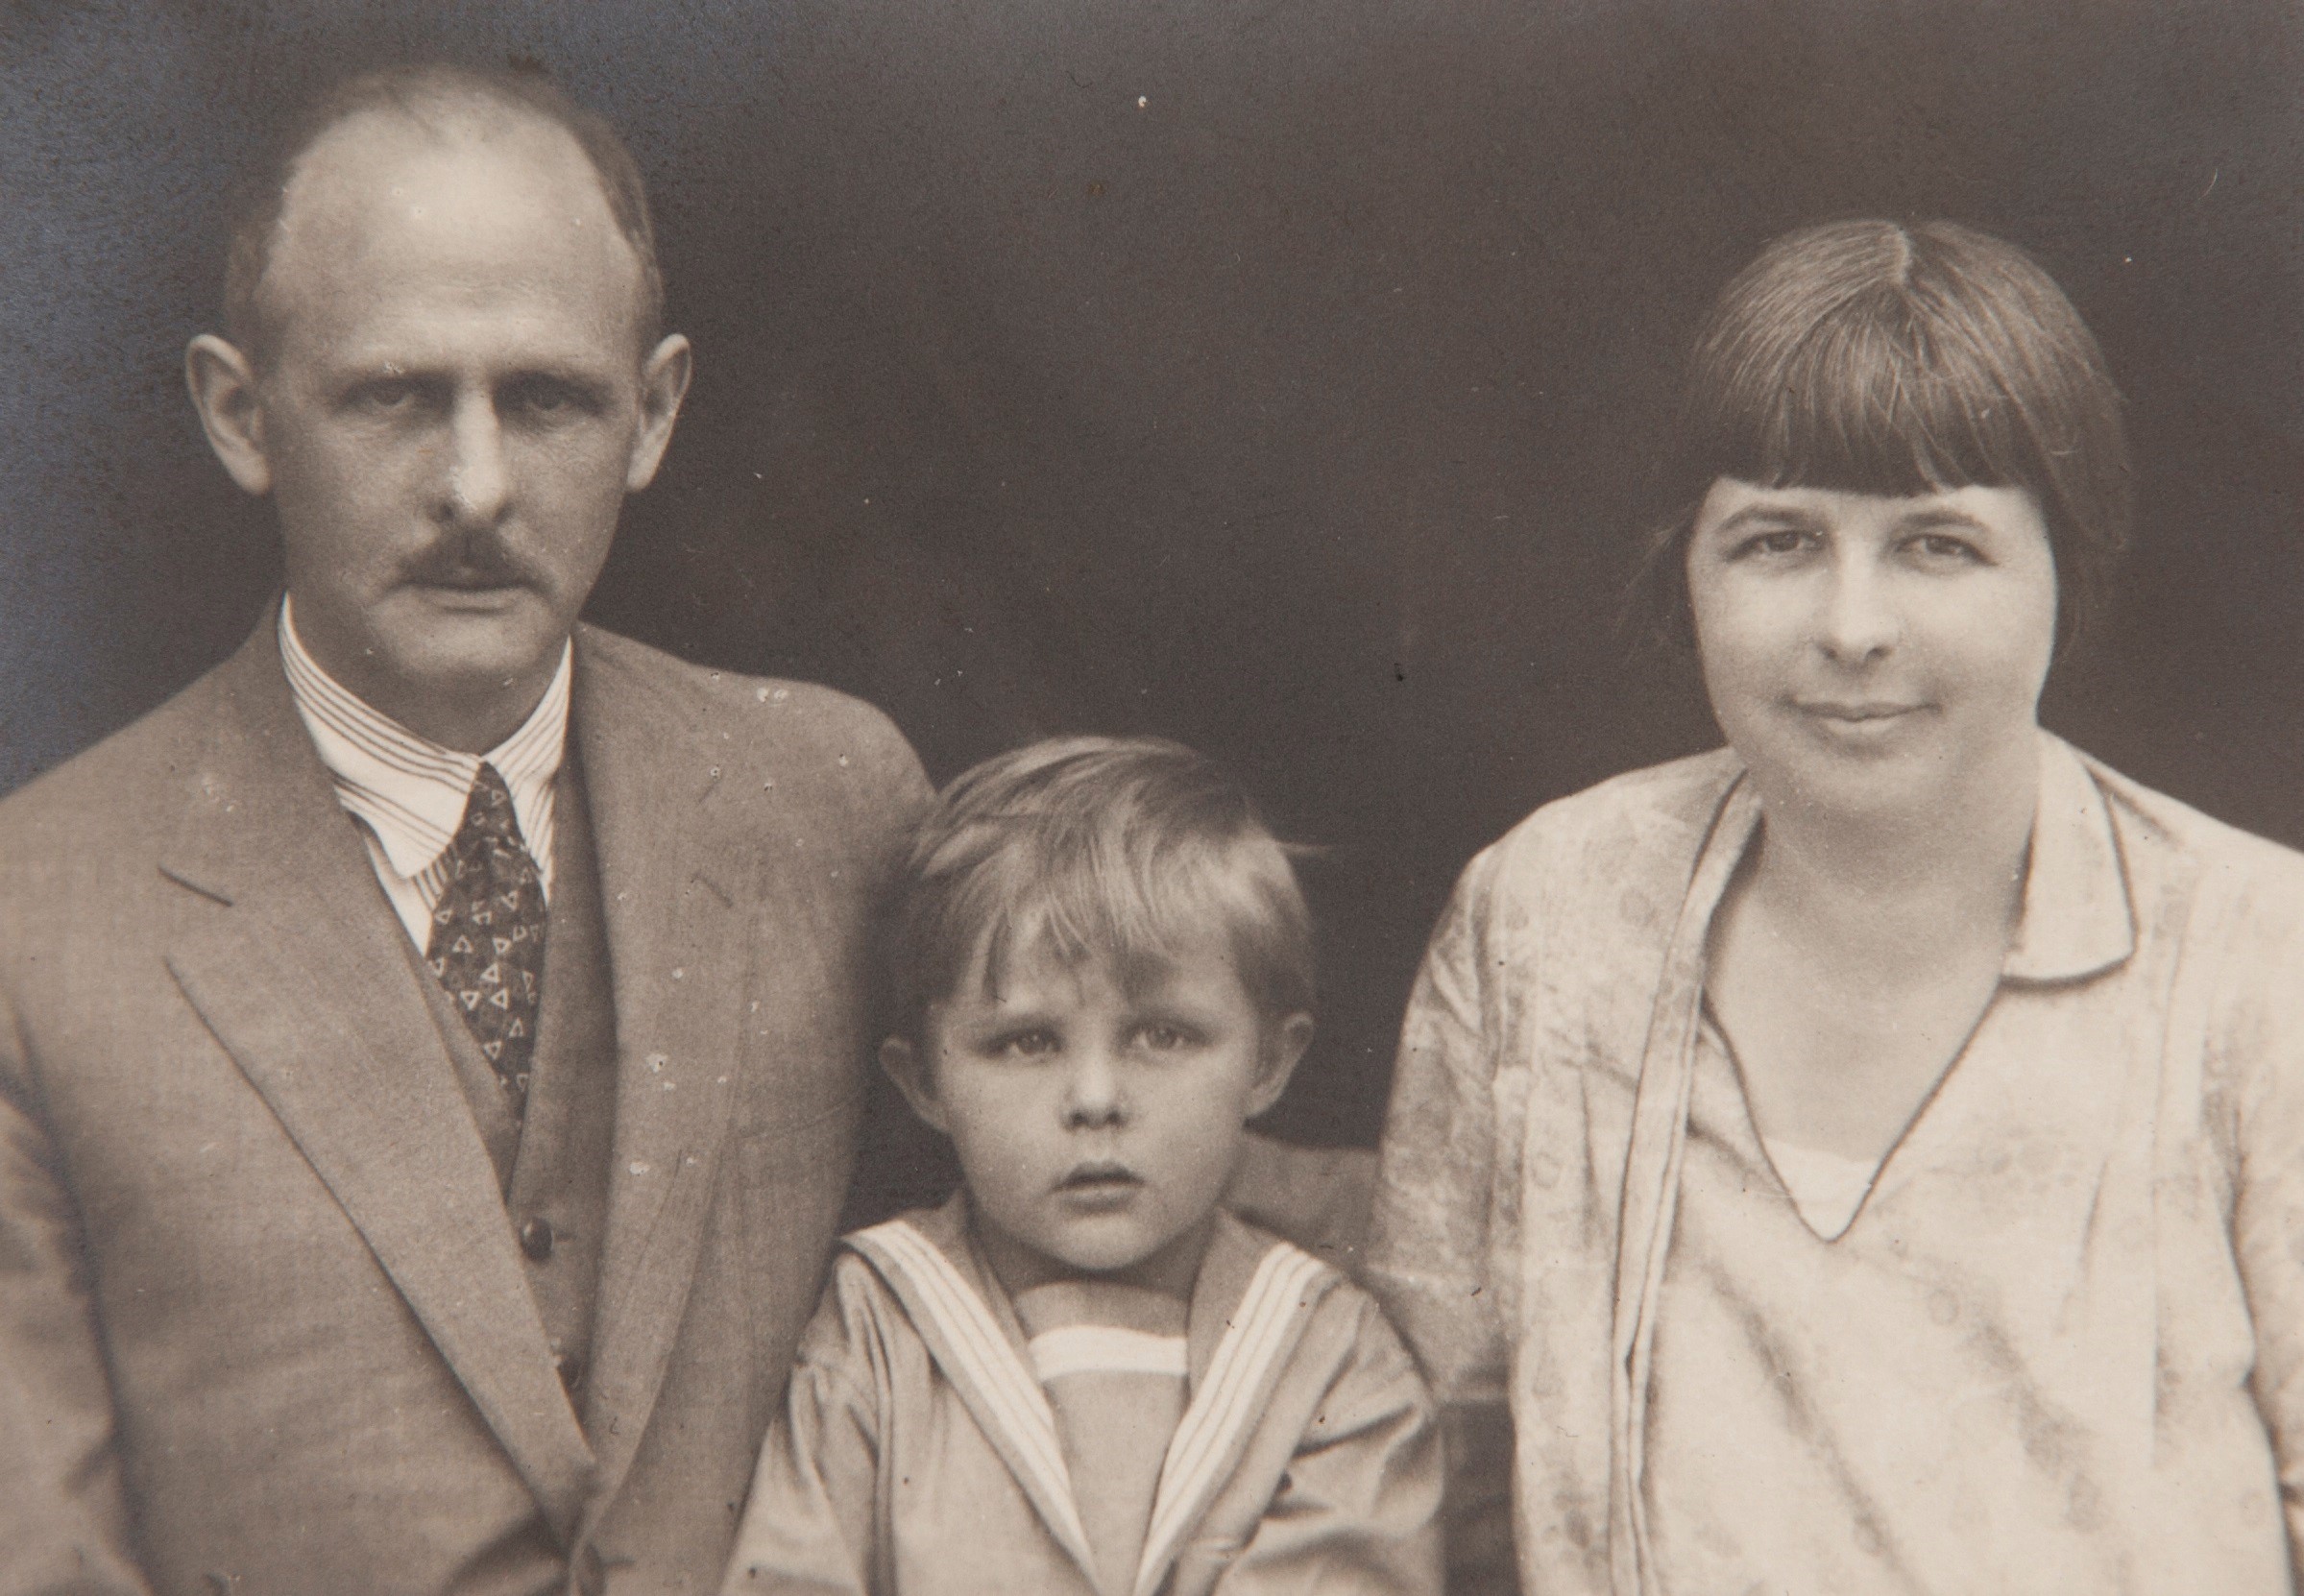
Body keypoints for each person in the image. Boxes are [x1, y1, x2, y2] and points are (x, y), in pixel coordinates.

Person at [0, 62, 928, 1595]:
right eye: (394, 396)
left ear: (655, 413)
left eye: (548, 398)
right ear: (241, 415)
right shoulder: (36, 915)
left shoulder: (833, 801)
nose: (477, 485)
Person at [1366, 218, 2304, 1595]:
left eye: (1936, 544)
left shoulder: (2254, 957)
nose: (1849, 624)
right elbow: (1413, 1475)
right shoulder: (1547, 913)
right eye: (1775, 539)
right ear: (1683, 568)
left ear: (2063, 572)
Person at [721, 738, 1443, 1595]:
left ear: (1267, 1065)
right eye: (1026, 1042)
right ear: (923, 1083)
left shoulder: (1329, 1355)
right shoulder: (879, 1327)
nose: (1095, 1098)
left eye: (1162, 1035)